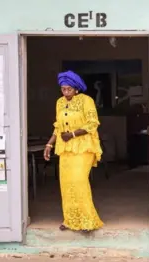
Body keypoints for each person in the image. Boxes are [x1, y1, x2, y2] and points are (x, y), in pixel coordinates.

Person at [43, 70, 104, 233]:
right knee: (66, 183)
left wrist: (73, 134)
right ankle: (70, 220)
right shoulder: (59, 103)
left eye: (69, 89)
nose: (65, 92)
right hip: (66, 149)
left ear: (76, 89)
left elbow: (93, 123)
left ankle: (87, 221)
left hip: (84, 146)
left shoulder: (86, 101)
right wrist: (49, 145)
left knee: (79, 181)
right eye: (63, 89)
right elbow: (58, 126)